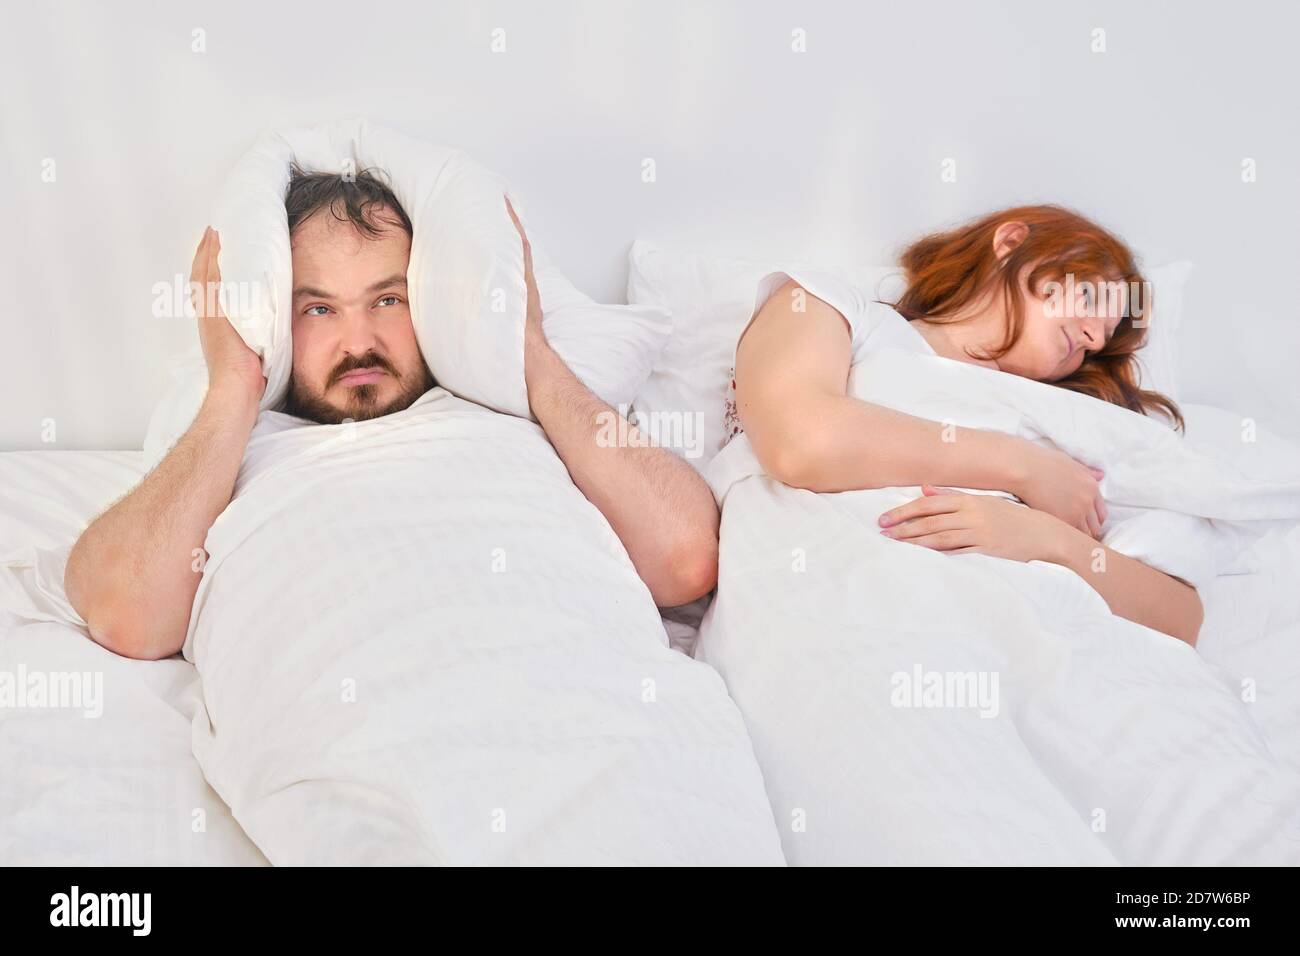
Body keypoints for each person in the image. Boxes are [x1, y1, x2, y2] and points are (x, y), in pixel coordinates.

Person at [65, 169, 719, 660]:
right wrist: (233, 384)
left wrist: (528, 352)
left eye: (388, 300)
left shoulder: (515, 417)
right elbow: (127, 613)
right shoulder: (246, 448)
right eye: (317, 308)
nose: (358, 342)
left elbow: (685, 557)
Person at [729, 205, 1203, 645]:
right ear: (1012, 242)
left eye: (1098, 344)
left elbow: (1181, 617)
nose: (1093, 335)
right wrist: (1021, 467)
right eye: (1087, 295)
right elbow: (800, 441)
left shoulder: (1069, 421)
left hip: (1044, 635)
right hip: (857, 606)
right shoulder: (840, 311)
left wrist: (1044, 538)